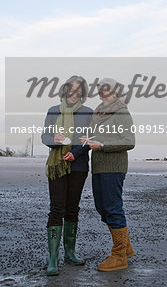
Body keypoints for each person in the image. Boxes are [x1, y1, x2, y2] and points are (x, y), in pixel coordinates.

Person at [41, 75, 92, 276]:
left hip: (78, 165)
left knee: (72, 209)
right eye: (71, 89)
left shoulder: (88, 112)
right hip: (57, 165)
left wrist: (76, 152)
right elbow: (44, 135)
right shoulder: (53, 110)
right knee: (56, 208)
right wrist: (54, 139)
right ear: (65, 90)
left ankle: (70, 252)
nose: (74, 93)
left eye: (78, 90)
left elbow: (89, 139)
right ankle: (53, 257)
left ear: (82, 92)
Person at [85, 77, 135, 272]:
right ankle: (127, 247)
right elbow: (94, 137)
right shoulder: (98, 112)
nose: (101, 91)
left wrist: (103, 146)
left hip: (114, 167)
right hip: (98, 166)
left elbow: (129, 140)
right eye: (100, 88)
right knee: (102, 208)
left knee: (113, 208)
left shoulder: (121, 111)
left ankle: (119, 255)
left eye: (106, 89)